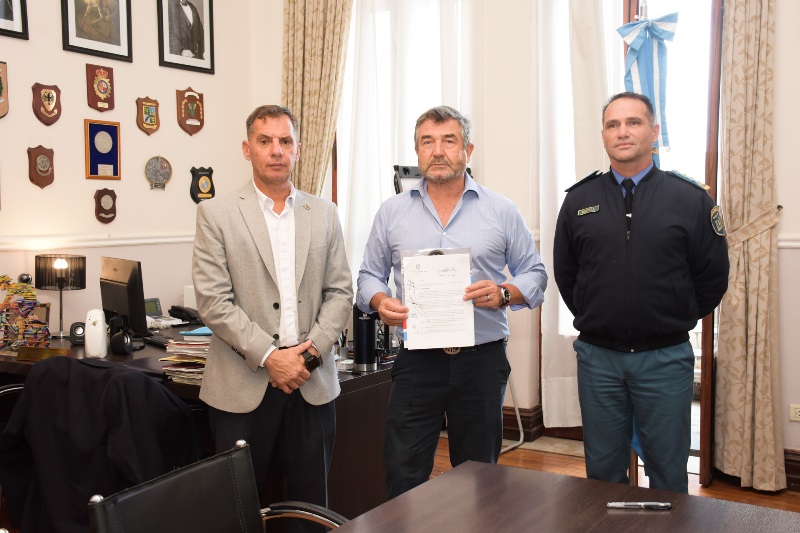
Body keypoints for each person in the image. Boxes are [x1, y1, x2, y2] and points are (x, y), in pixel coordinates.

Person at [357, 105, 548, 498]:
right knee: (403, 472)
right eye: (428, 142)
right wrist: (379, 299)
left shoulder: (501, 210)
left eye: (449, 141)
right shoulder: (391, 213)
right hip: (417, 362)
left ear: (467, 150)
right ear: (417, 151)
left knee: (479, 480)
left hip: (481, 361)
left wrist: (504, 293)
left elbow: (535, 274)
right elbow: (368, 276)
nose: (438, 151)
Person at [553, 92, 729, 493]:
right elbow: (567, 273)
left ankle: (670, 523)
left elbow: (713, 276)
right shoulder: (579, 200)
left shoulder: (690, 199)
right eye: (613, 125)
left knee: (668, 471)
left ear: (654, 131)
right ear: (603, 135)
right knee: (602, 471)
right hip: (598, 359)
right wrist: (600, 314)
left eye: (633, 122)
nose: (623, 132)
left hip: (664, 358)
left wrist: (674, 315)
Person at [192, 105, 353, 530]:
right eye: (265, 141)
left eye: (285, 141)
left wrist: (308, 356)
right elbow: (213, 301)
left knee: (309, 511)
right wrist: (270, 356)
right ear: (248, 149)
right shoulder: (216, 214)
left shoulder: (324, 213)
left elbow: (340, 292)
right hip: (241, 388)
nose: (276, 150)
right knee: (237, 512)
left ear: (297, 149)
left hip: (311, 384)